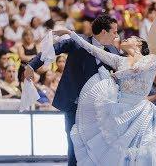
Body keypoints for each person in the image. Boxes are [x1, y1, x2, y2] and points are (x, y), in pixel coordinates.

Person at [52, 24, 156, 165]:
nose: (123, 38)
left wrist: (116, 75)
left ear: (139, 43)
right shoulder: (120, 60)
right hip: (119, 112)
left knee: (143, 151)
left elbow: (137, 69)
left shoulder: (151, 58)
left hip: (141, 112)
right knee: (117, 153)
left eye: (130, 37)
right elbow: (91, 48)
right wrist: (70, 33)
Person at [24, 14, 121, 166]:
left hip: (100, 107)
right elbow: (54, 48)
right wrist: (31, 65)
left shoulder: (113, 51)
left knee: (99, 145)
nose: (117, 36)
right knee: (74, 142)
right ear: (103, 32)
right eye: (114, 32)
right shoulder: (78, 41)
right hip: (74, 103)